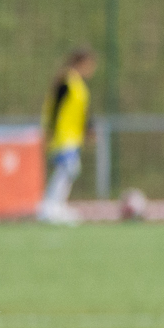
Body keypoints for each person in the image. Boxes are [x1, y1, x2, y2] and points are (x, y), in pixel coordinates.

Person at [38, 47, 96, 225]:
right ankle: (50, 207)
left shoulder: (77, 84)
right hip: (62, 135)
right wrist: (49, 130)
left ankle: (55, 206)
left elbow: (81, 110)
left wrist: (88, 128)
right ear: (81, 63)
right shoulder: (66, 81)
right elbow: (54, 107)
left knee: (69, 170)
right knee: (66, 169)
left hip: (72, 136)